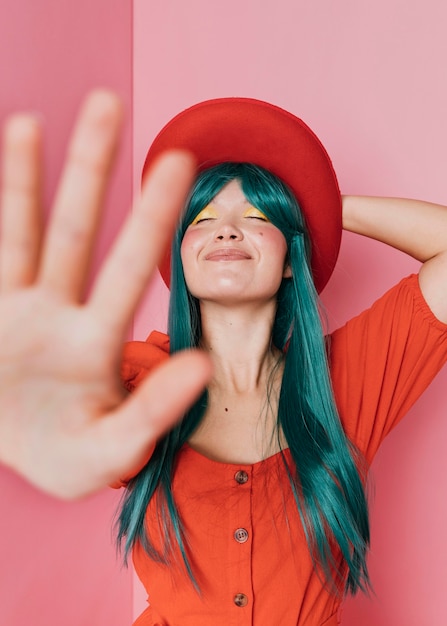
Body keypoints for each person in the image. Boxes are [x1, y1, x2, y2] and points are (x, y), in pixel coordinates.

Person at [1, 90, 446, 625]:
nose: (226, 229)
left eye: (257, 215)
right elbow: (83, 420)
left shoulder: (346, 377)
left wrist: (320, 202)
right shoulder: (142, 378)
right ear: (182, 259)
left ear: (289, 257)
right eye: (202, 219)